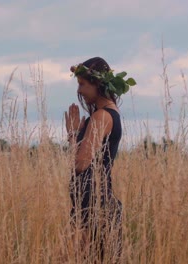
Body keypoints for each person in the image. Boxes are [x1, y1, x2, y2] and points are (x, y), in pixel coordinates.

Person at [65, 57, 136, 262]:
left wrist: (72, 135)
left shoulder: (102, 116)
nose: (79, 90)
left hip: (92, 203)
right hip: (98, 200)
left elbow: (81, 163)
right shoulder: (109, 113)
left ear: (97, 84)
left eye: (82, 84)